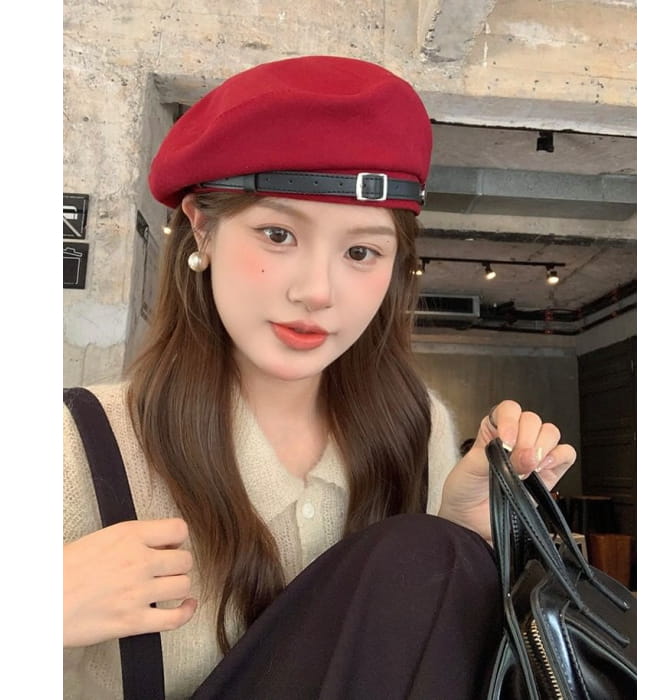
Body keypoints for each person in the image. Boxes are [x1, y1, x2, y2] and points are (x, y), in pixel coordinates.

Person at [63, 55, 576, 699]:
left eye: (361, 251)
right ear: (203, 228)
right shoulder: (80, 444)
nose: (317, 291)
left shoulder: (416, 428)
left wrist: (465, 542)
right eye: (278, 234)